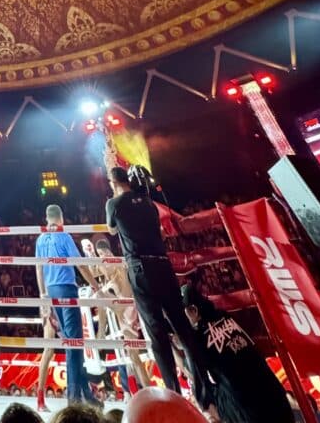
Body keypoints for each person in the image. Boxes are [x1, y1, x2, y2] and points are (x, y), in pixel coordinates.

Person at [106, 168, 214, 413]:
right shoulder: (149, 204)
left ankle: (172, 396)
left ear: (113, 182)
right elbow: (158, 229)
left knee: (157, 335)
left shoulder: (114, 203)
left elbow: (111, 229)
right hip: (163, 265)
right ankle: (205, 393)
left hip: (141, 268)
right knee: (183, 329)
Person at [181, 284, 294, 423]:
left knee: (204, 395)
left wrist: (179, 343)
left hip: (249, 413)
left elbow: (189, 370)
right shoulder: (224, 315)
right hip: (278, 401)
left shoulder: (196, 337)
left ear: (193, 310)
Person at [36, 204, 99, 408]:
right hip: (65, 289)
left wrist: (43, 293)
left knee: (72, 343)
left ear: (47, 218)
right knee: (74, 344)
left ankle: (86, 394)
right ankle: (74, 399)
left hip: (51, 291)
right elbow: (79, 263)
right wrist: (94, 284)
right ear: (60, 218)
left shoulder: (41, 238)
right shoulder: (63, 235)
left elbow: (38, 267)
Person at [94, 237, 149, 393]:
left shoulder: (113, 262)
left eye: (101, 253)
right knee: (132, 355)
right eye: (99, 254)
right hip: (126, 310)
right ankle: (143, 390)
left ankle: (100, 333)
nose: (101, 256)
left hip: (128, 305)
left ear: (107, 251)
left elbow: (98, 270)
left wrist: (89, 254)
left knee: (100, 294)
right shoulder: (113, 264)